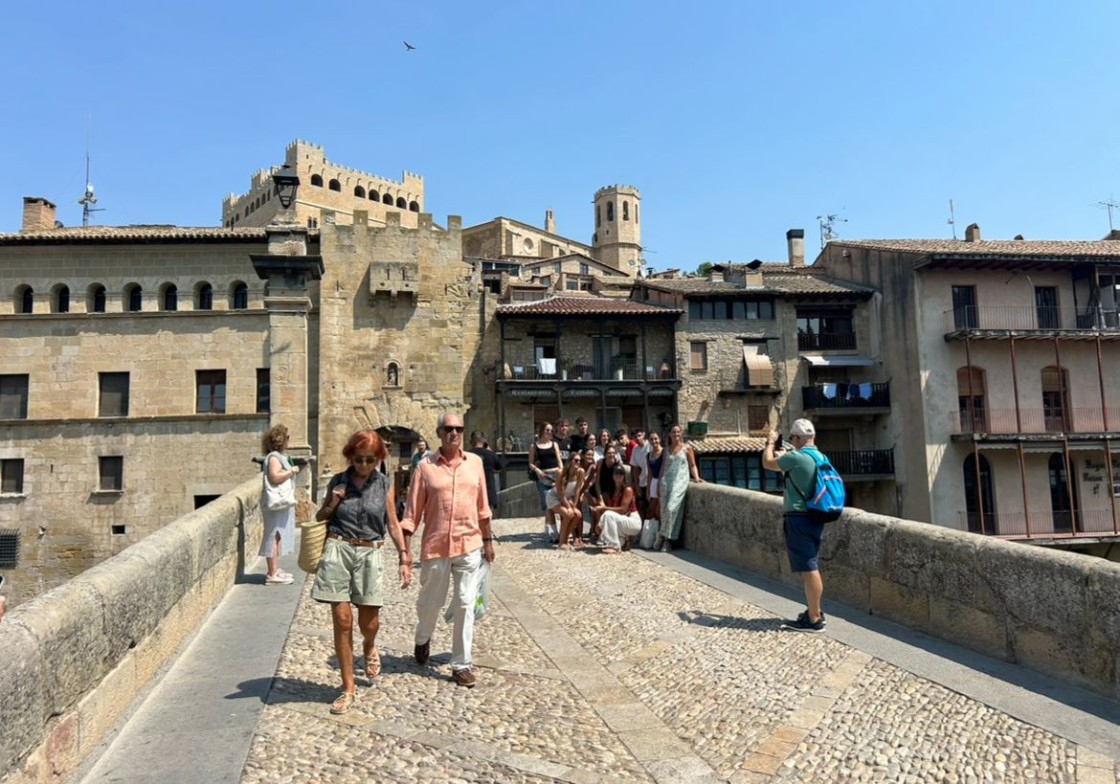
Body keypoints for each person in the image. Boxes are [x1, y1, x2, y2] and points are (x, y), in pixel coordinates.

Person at [312, 429, 412, 714]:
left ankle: (369, 645)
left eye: (370, 460)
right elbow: (320, 517)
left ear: (379, 458)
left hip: (370, 551)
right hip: (338, 548)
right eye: (359, 460)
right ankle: (348, 688)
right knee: (342, 620)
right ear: (350, 457)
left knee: (369, 623)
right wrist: (333, 501)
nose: (364, 466)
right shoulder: (338, 481)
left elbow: (392, 522)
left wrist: (404, 556)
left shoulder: (383, 484)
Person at [402, 411, 495, 687]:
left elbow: (483, 507)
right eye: (448, 429)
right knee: (430, 604)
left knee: (466, 604)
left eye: (458, 429)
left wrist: (488, 542)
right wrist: (405, 554)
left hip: (469, 544)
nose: (454, 433)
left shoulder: (475, 463)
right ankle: (422, 637)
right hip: (436, 545)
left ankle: (461, 664)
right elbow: (411, 514)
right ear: (439, 433)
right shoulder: (425, 467)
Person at [763, 418, 828, 633]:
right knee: (812, 563)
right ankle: (814, 610)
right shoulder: (819, 456)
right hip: (815, 515)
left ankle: (814, 619)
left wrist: (770, 443)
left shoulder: (797, 457)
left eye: (792, 438)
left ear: (798, 438)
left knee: (809, 567)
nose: (791, 441)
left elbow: (767, 463)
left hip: (798, 517)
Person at [260, 424, 300, 585]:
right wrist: (292, 471)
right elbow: (274, 477)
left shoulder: (276, 456)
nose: (289, 440)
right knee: (273, 535)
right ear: (282, 440)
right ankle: (271, 574)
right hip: (275, 503)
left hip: (279, 503)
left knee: (276, 535)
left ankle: (274, 569)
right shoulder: (274, 457)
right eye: (287, 437)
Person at [656, 424, 703, 552]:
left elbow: (692, 465)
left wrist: (697, 478)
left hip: (680, 482)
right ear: (670, 434)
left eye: (678, 432)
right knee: (664, 512)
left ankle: (665, 538)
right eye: (673, 432)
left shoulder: (687, 449)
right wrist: (658, 484)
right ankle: (666, 539)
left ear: (681, 433)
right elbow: (663, 468)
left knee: (671, 509)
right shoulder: (666, 450)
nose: (676, 434)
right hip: (666, 483)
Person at [594, 464, 642, 554]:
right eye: (616, 473)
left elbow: (623, 509)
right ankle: (624, 541)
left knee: (608, 514)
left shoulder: (627, 489)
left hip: (632, 519)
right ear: (613, 475)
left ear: (624, 476)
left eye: (621, 473)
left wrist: (604, 508)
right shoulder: (612, 491)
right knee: (603, 525)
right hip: (621, 520)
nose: (618, 475)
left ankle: (614, 546)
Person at [528, 422, 563, 541]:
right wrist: (537, 470)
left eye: (551, 430)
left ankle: (550, 531)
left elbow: (559, 461)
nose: (550, 432)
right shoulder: (534, 446)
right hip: (542, 476)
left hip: (555, 476)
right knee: (548, 503)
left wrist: (561, 472)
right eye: (548, 430)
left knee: (554, 503)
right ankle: (553, 532)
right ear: (542, 431)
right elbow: (530, 463)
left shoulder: (554, 444)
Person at [547, 453, 587, 550]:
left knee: (577, 515)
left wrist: (574, 507)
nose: (578, 462)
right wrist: (569, 507)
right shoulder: (560, 472)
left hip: (568, 498)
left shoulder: (581, 472)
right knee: (568, 514)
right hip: (554, 497)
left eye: (579, 461)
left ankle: (564, 539)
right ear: (570, 461)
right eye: (576, 460)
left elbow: (577, 490)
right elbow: (560, 492)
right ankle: (562, 543)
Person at [468, 430, 503, 516]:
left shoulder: (467, 455)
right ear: (484, 441)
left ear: (471, 441)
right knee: (487, 516)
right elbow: (499, 468)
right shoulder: (490, 454)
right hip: (488, 489)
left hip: (472, 491)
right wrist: (489, 451)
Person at [628, 428, 650, 519]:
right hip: (642, 482)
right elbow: (635, 468)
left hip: (652, 481)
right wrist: (636, 484)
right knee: (640, 505)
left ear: (643, 435)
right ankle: (642, 528)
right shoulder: (635, 450)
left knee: (651, 506)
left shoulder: (650, 445)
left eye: (639, 436)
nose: (637, 438)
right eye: (635, 437)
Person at [646, 431, 665, 522]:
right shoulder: (648, 455)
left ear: (659, 439)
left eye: (656, 439)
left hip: (663, 482)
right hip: (654, 482)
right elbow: (649, 473)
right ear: (649, 441)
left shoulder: (665, 452)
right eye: (651, 439)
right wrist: (648, 489)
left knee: (660, 510)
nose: (654, 441)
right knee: (653, 510)